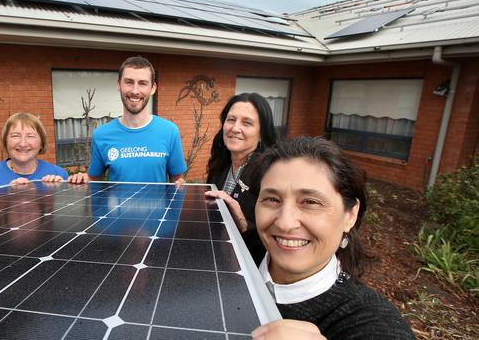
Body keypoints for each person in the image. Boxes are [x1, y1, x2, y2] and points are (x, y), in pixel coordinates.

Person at [251, 137, 415, 340]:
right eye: (272, 199)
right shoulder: (240, 252)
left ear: (350, 215)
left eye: (310, 202)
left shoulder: (369, 320)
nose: (285, 223)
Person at [68, 56, 186, 184]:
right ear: (119, 85)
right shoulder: (101, 135)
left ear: (152, 88)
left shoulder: (169, 132)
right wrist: (82, 178)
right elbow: (95, 182)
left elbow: (177, 181)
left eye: (142, 83)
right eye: (129, 82)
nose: (135, 91)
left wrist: (182, 186)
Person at [204, 93, 277, 266]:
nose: (235, 128)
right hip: (221, 259)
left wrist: (244, 225)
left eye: (247, 123)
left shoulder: (270, 174)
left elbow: (278, 236)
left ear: (261, 134)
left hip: (252, 267)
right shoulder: (220, 167)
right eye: (231, 120)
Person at [0, 112, 68, 189]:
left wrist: (79, 185)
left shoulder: (59, 174)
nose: (23, 144)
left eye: (30, 136)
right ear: (5, 141)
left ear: (41, 142)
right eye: (15, 136)